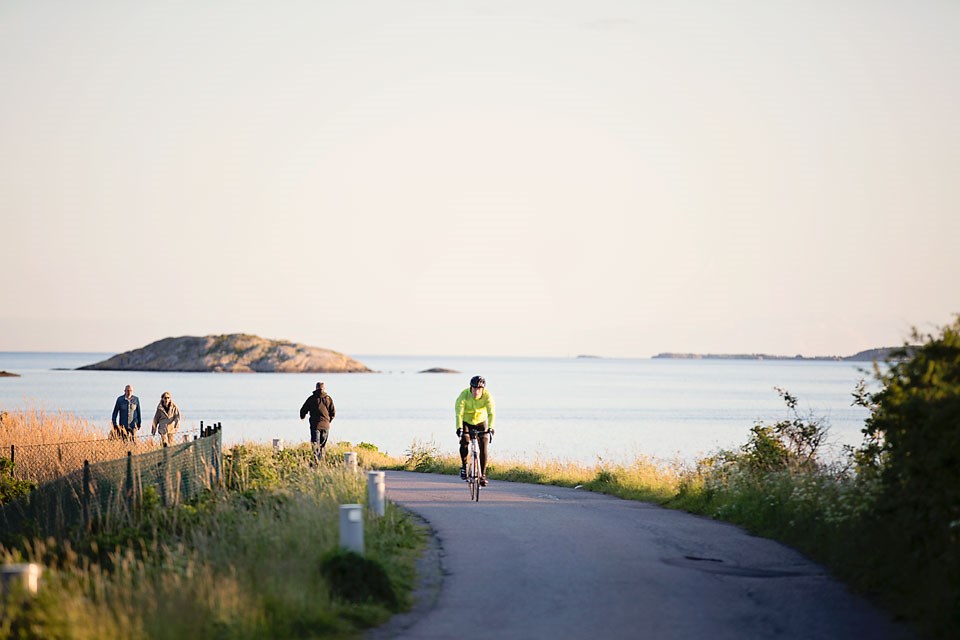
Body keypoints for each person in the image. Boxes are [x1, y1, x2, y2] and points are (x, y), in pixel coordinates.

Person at [455, 375, 495, 485]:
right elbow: (459, 413)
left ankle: (482, 475)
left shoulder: (487, 396)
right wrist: (459, 428)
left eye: (479, 389)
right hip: (466, 422)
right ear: (470, 388)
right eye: (474, 388)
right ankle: (464, 466)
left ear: (483, 389)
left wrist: (491, 428)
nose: (476, 391)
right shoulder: (464, 395)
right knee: (464, 441)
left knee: (483, 445)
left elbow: (491, 413)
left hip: (481, 422)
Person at [299, 381, 336, 463]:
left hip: (315, 425)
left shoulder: (311, 399)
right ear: (324, 388)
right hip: (326, 426)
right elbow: (333, 412)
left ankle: (316, 462)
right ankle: (321, 461)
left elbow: (303, 410)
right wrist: (328, 421)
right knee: (322, 446)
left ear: (316, 388)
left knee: (315, 445)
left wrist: (302, 416)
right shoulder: (328, 399)